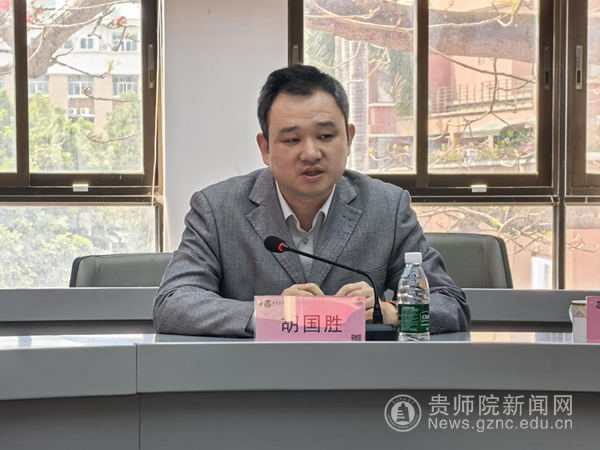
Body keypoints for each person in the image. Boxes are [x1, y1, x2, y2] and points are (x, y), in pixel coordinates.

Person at [154, 65, 470, 337]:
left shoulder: (387, 207)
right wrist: (271, 314)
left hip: (358, 379)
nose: (310, 153)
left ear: (349, 139)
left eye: (325, 136)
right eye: (292, 139)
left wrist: (390, 312)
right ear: (265, 148)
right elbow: (173, 302)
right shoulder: (217, 209)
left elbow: (451, 303)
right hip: (253, 379)